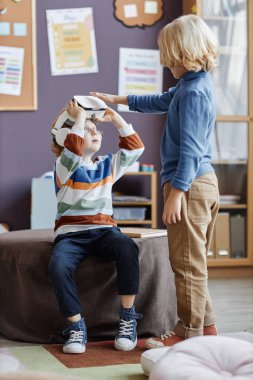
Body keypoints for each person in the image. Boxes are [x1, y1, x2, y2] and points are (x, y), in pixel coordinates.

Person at [90, 14, 220, 347]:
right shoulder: (192, 86)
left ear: (182, 53)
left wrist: (177, 192)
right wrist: (118, 101)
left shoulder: (193, 93)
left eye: (167, 54)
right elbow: (159, 101)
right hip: (198, 183)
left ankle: (186, 334)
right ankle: (205, 329)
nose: (164, 61)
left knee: (186, 265)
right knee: (194, 261)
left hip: (189, 184)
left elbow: (190, 149)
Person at [49, 99, 144, 354]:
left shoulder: (106, 166)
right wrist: (80, 117)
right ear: (67, 137)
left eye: (96, 129)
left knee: (127, 248)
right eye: (86, 129)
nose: (94, 132)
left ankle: (127, 317)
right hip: (71, 236)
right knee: (58, 265)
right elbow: (72, 150)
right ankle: (76, 325)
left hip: (105, 231)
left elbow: (135, 148)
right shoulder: (63, 167)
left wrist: (114, 118)